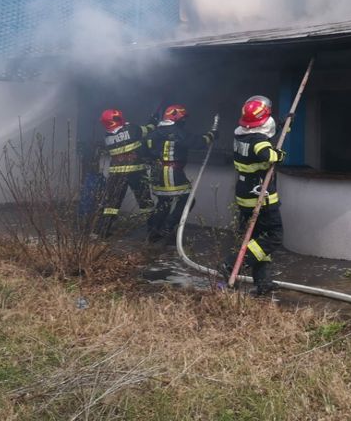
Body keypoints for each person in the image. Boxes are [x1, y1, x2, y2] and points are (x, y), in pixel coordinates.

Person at [226, 95, 286, 296]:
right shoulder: (258, 141)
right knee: (274, 237)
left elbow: (263, 139)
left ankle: (263, 282)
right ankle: (233, 264)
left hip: (245, 195)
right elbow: (269, 154)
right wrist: (280, 155)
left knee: (258, 239)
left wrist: (284, 125)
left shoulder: (241, 135)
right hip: (261, 196)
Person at [144, 104, 217, 243]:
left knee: (164, 201)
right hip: (171, 172)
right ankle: (167, 227)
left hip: (156, 172)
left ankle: (153, 231)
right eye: (183, 119)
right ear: (177, 118)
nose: (184, 122)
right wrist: (212, 135)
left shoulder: (154, 133)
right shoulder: (176, 131)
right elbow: (197, 142)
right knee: (188, 199)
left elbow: (144, 151)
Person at [96, 108, 155, 237]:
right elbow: (147, 130)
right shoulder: (132, 129)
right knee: (145, 203)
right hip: (136, 172)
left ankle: (102, 231)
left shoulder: (107, 136)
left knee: (111, 203)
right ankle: (153, 233)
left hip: (116, 174)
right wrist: (153, 121)